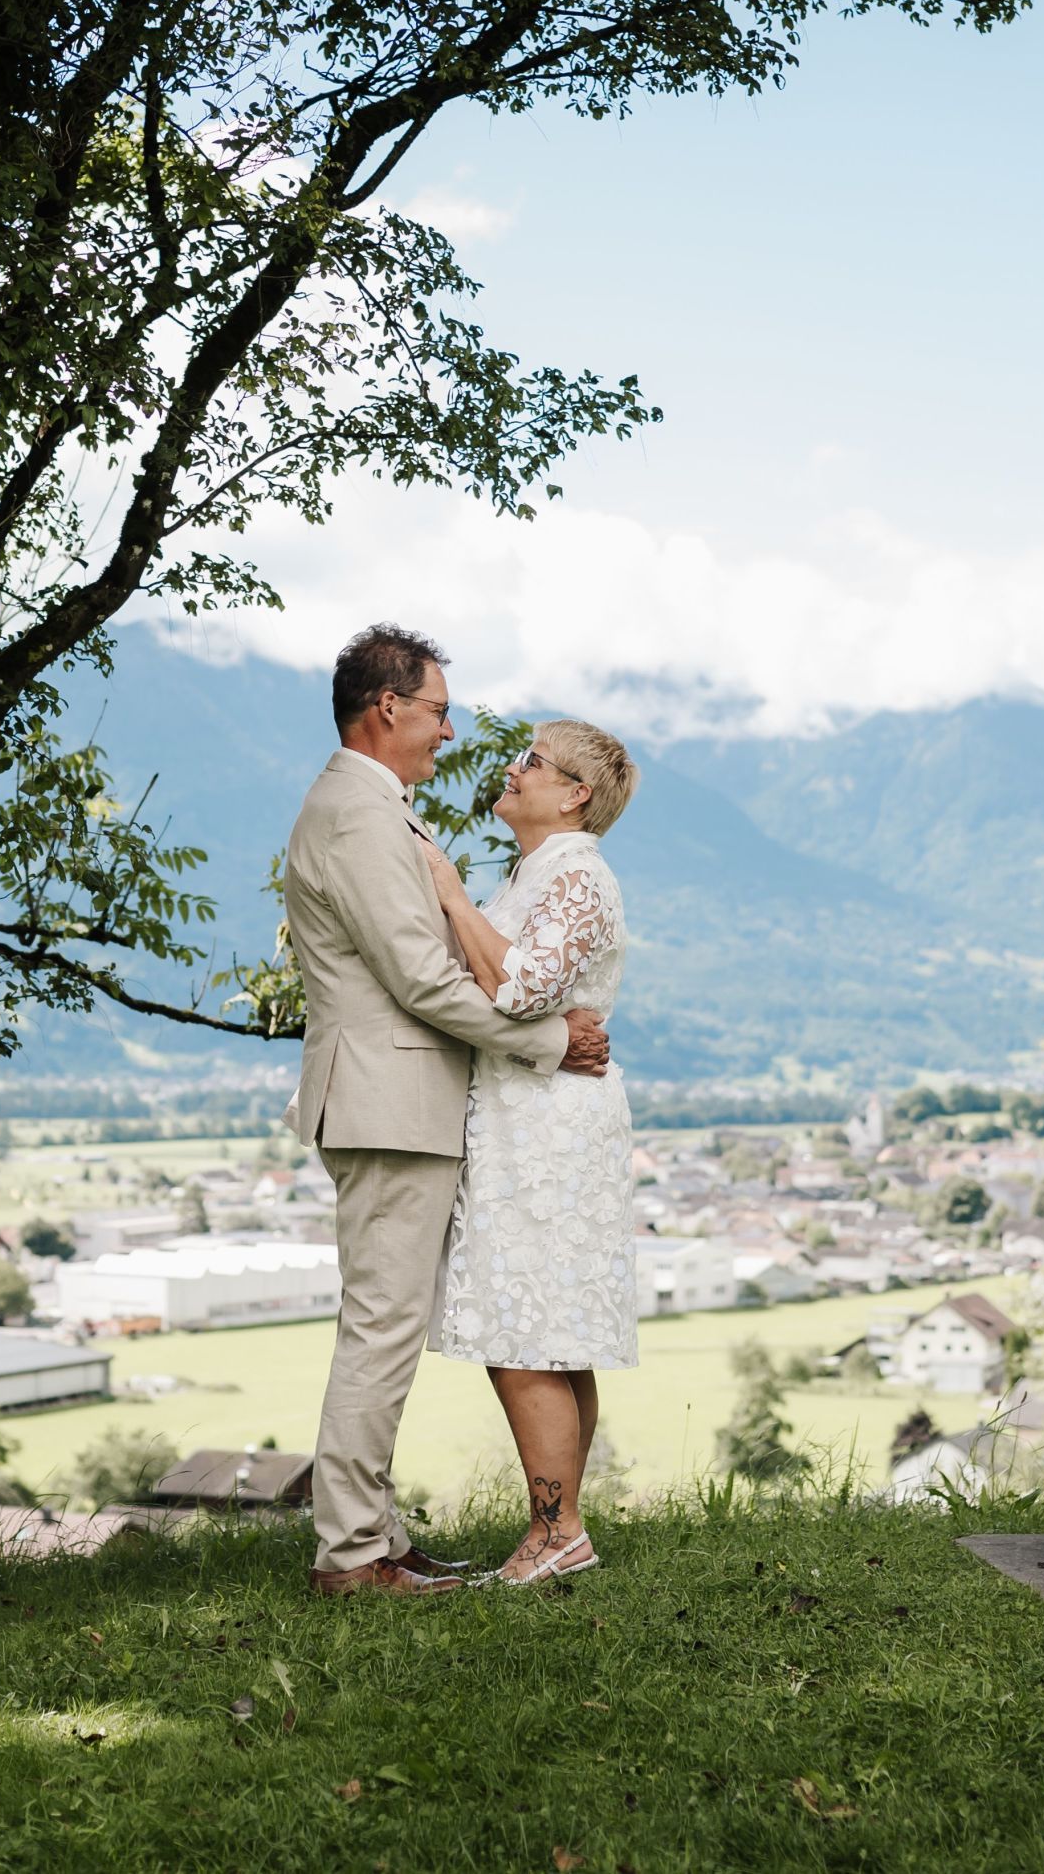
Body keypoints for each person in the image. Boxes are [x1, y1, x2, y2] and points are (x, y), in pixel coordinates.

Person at [284, 624, 613, 1598]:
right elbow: (423, 982)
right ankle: (353, 1555)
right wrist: (550, 1043)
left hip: (398, 1103)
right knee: (381, 1330)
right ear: (388, 707)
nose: (450, 731)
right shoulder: (360, 815)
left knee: (385, 1326)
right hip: (388, 1104)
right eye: (437, 710)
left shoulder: (374, 808)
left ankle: (377, 1536)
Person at [421, 718, 640, 1582]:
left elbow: (518, 989)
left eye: (532, 761)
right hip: (530, 1114)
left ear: (575, 794)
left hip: (547, 1127)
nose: (513, 770)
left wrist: (450, 894)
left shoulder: (577, 874)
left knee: (525, 1328)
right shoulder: (540, 870)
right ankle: (557, 1530)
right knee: (549, 1328)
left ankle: (559, 1533)